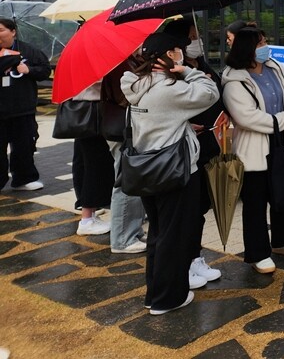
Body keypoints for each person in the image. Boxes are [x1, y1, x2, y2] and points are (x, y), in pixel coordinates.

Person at [121, 30, 221, 315]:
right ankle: (168, 298)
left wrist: (182, 125)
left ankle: (154, 293)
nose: (183, 55)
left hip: (146, 169)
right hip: (173, 170)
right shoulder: (170, 88)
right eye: (179, 50)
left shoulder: (136, 84)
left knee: (158, 233)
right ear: (168, 55)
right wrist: (188, 71)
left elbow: (158, 120)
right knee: (174, 236)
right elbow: (210, 92)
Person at [221, 24, 284, 274]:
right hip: (252, 150)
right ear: (247, 49)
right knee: (256, 203)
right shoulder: (234, 80)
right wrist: (282, 120)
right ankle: (258, 253)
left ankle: (282, 241)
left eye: (264, 41)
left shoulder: (275, 68)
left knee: (282, 194)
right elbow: (246, 117)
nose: (265, 47)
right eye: (260, 44)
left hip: (280, 143)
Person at [162, 16, 225, 287]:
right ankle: (182, 263)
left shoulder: (201, 64)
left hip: (209, 144)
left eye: (196, 36)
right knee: (185, 210)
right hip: (184, 150)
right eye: (191, 37)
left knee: (200, 207)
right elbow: (167, 108)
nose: (196, 41)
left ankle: (194, 257)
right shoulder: (171, 72)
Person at [0, 18, 52, 192]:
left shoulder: (29, 51)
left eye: (1, 30)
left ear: (13, 31)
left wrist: (29, 70)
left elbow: (45, 70)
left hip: (22, 109)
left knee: (24, 146)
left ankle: (23, 179)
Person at [103, 56, 148, 255]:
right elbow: (125, 97)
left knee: (133, 182)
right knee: (126, 182)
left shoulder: (130, 61)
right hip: (122, 131)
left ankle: (133, 231)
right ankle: (122, 239)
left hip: (126, 130)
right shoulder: (118, 64)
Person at [67, 82, 115, 236]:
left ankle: (88, 213)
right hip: (91, 110)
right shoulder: (91, 70)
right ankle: (87, 219)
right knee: (94, 165)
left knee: (85, 162)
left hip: (83, 111)